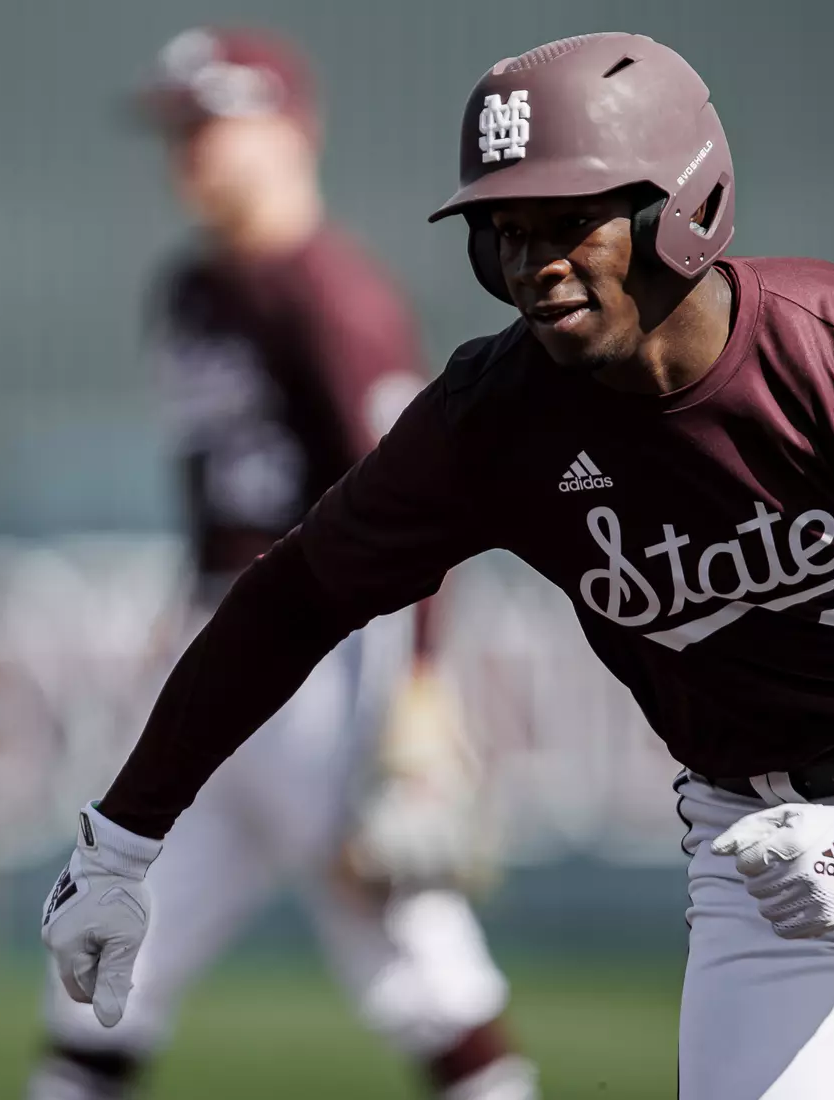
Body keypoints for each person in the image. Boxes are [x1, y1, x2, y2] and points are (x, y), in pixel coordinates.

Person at [41, 31, 834, 1100]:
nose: (535, 263)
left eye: (572, 220)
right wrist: (122, 839)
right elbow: (289, 599)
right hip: (756, 835)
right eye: (506, 231)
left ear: (684, 208)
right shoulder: (494, 417)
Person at [27, 27, 537, 1100]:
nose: (190, 150)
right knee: (103, 955)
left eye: (213, 123)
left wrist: (417, 692)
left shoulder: (333, 294)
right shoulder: (195, 289)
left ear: (292, 129)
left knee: (418, 960)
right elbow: (209, 493)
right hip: (228, 650)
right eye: (179, 128)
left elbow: (419, 507)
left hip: (322, 663)